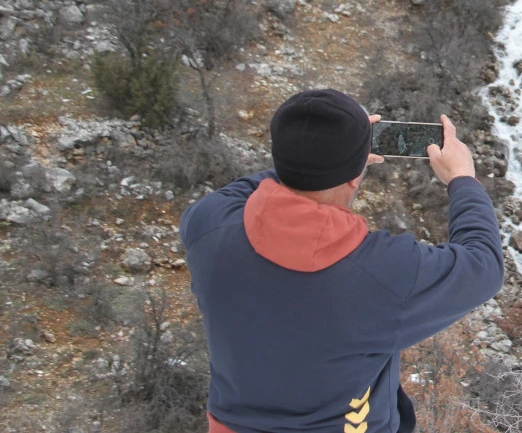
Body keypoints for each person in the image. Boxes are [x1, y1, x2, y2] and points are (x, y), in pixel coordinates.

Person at [180, 89, 505, 433]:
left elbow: (251, 190)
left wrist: (321, 152)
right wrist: (462, 179)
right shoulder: (382, 274)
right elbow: (484, 263)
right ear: (355, 176)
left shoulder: (208, 227)